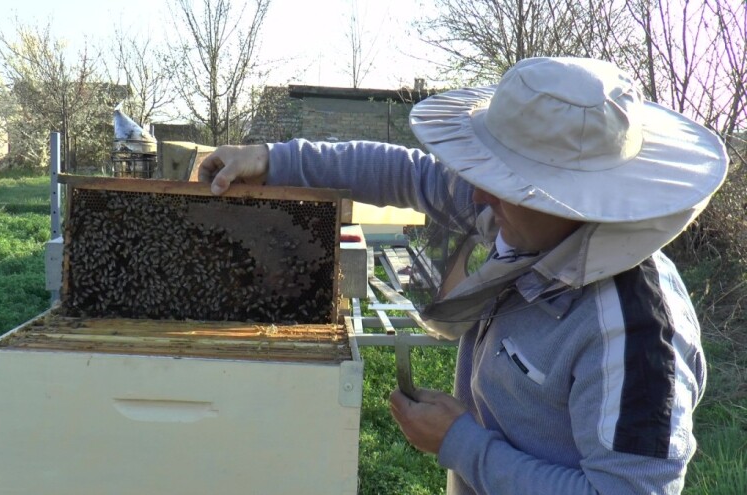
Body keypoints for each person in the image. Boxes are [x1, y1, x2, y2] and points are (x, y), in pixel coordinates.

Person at [198, 57, 728, 495]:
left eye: (506, 184)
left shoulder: (634, 334)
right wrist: (273, 159)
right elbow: (410, 173)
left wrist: (461, 443)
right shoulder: (521, 217)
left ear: (576, 201)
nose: (477, 195)